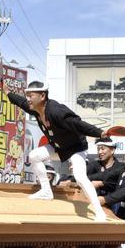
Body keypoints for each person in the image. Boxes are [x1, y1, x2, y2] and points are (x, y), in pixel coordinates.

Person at [6, 80, 107, 221]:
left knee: (80, 177)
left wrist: (99, 133)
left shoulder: (56, 111)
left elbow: (77, 124)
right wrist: (8, 93)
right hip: (59, 148)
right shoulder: (35, 108)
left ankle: (99, 212)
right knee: (34, 156)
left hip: (76, 148)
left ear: (42, 96)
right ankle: (46, 191)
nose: (28, 99)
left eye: (31, 95)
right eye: (27, 95)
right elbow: (21, 102)